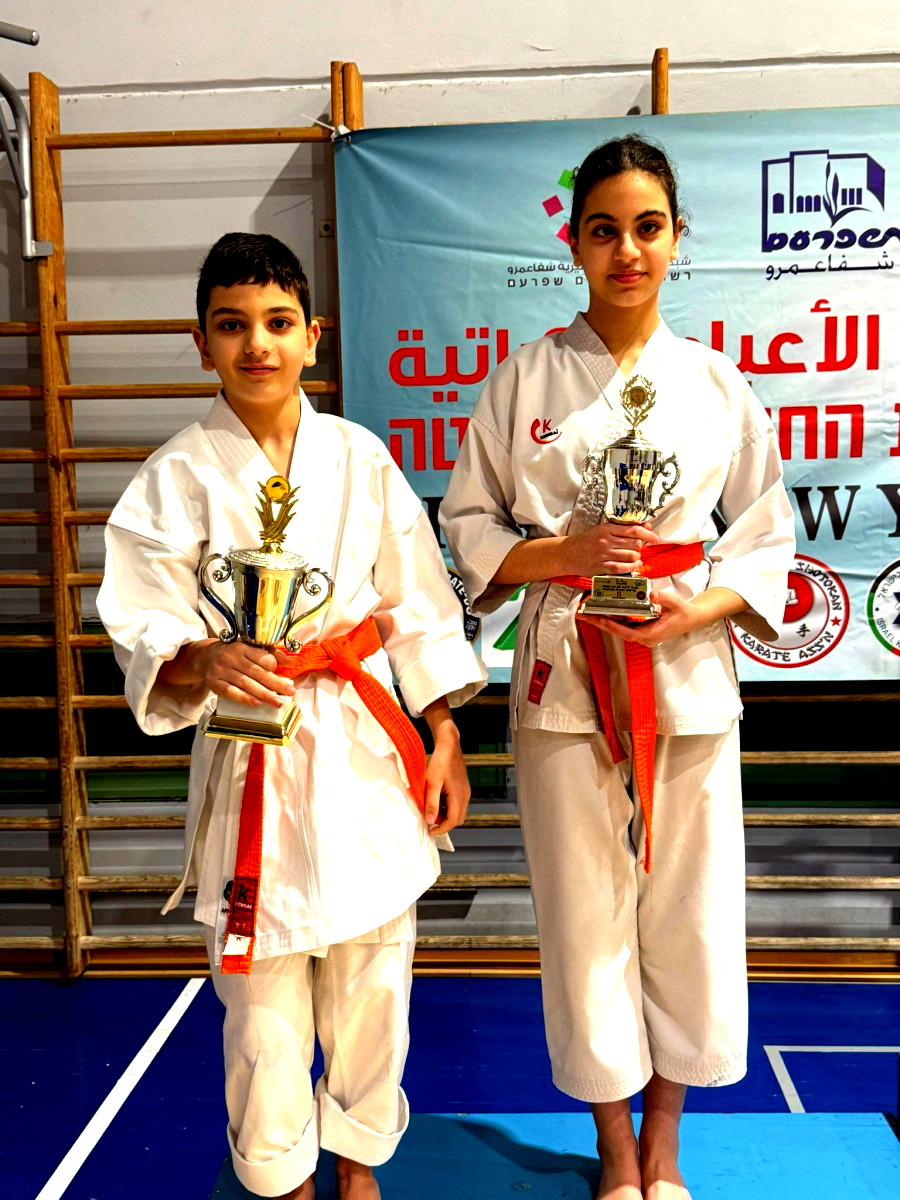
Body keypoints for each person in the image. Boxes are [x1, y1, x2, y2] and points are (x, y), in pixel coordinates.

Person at [439, 136, 795, 1200]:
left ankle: (668, 1144)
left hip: (684, 672)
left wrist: (702, 607)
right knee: (584, 917)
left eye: (647, 228)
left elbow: (765, 534)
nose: (627, 250)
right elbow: (469, 525)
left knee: (689, 913)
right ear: (575, 245)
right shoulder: (524, 380)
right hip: (564, 675)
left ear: (677, 238)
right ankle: (615, 1145)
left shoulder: (716, 383)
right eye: (604, 230)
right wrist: (565, 554)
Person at [98, 232, 486, 1200]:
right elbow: (139, 614)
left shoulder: (359, 458)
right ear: (203, 343)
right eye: (232, 326)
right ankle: (283, 1178)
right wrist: (201, 656)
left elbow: (419, 604)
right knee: (262, 1010)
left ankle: (357, 1167)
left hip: (361, 749)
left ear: (313, 335)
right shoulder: (175, 476)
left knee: (375, 986)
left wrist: (443, 734)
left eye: (278, 323)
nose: (257, 345)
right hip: (248, 753)